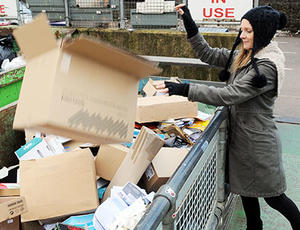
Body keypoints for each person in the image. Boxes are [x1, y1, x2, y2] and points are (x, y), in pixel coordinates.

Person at [156, 4, 300, 230]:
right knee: (246, 194)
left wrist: (184, 89)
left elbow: (228, 94)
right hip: (241, 141)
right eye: (241, 29)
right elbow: (208, 54)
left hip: (259, 144)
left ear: (261, 32)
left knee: (274, 197)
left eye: (248, 31)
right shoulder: (245, 55)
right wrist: (189, 23)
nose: (241, 35)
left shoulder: (266, 68)